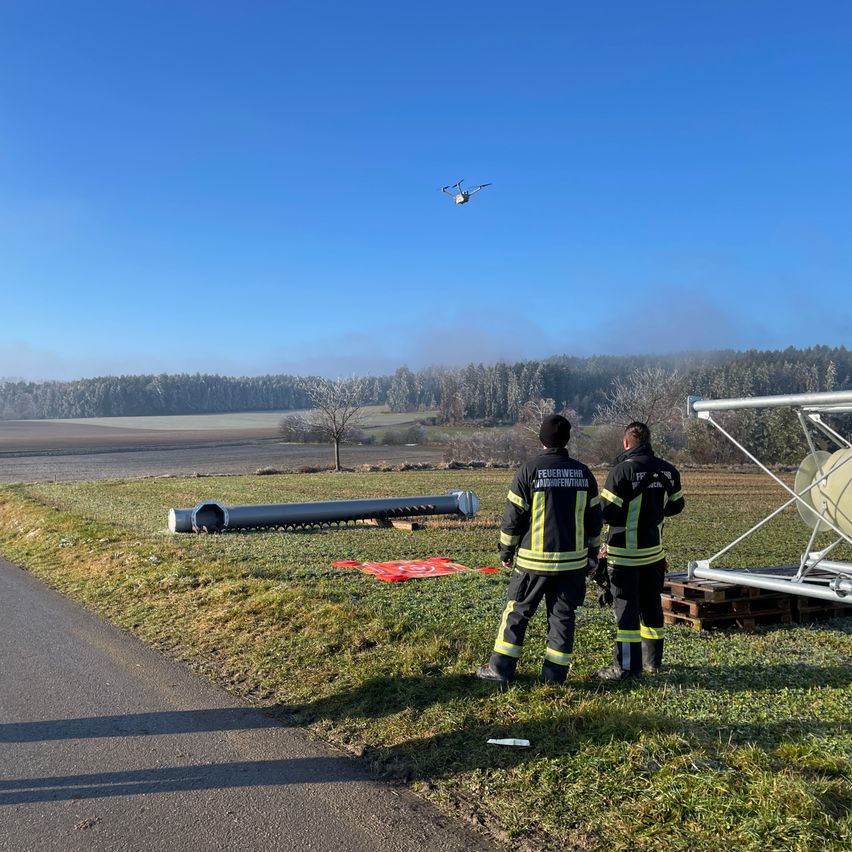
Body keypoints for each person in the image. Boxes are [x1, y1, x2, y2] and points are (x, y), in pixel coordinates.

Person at [476, 414, 603, 685]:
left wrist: (506, 551)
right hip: (572, 565)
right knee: (562, 618)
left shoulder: (529, 470)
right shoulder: (584, 474)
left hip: (533, 564)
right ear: (567, 439)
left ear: (542, 439)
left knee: (518, 613)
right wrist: (592, 555)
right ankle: (554, 677)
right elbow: (594, 520)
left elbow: (513, 518)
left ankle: (500, 670)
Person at [597, 421, 684, 680]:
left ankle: (624, 668)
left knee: (626, 613)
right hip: (654, 556)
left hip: (623, 556)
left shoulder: (621, 471)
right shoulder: (669, 471)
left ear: (626, 443)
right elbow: (676, 506)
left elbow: (606, 511)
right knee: (651, 609)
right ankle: (653, 663)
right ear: (649, 442)